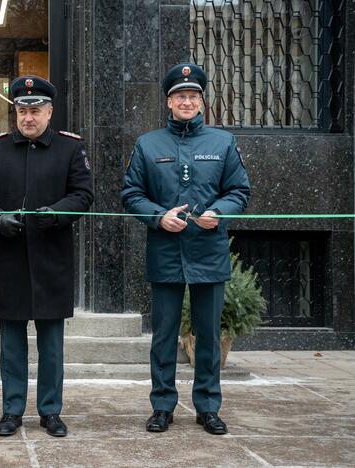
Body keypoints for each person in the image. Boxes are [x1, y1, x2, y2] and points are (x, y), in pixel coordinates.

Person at [122, 63, 251, 435]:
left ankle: (208, 406)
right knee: (163, 335)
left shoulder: (222, 142)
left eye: (193, 96)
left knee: (208, 336)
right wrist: (158, 216)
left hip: (208, 250)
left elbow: (239, 191)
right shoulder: (148, 144)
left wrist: (219, 213)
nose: (187, 101)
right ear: (169, 101)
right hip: (165, 249)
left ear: (201, 101)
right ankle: (162, 405)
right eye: (180, 96)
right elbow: (132, 193)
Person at [0, 76, 94, 438]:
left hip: (51, 258)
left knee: (51, 344)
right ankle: (12, 410)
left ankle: (50, 411)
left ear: (49, 111)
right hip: (9, 258)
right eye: (22, 110)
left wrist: (56, 213)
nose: (28, 117)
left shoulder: (70, 149)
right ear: (15, 112)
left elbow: (83, 194)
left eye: (36, 110)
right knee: (11, 345)